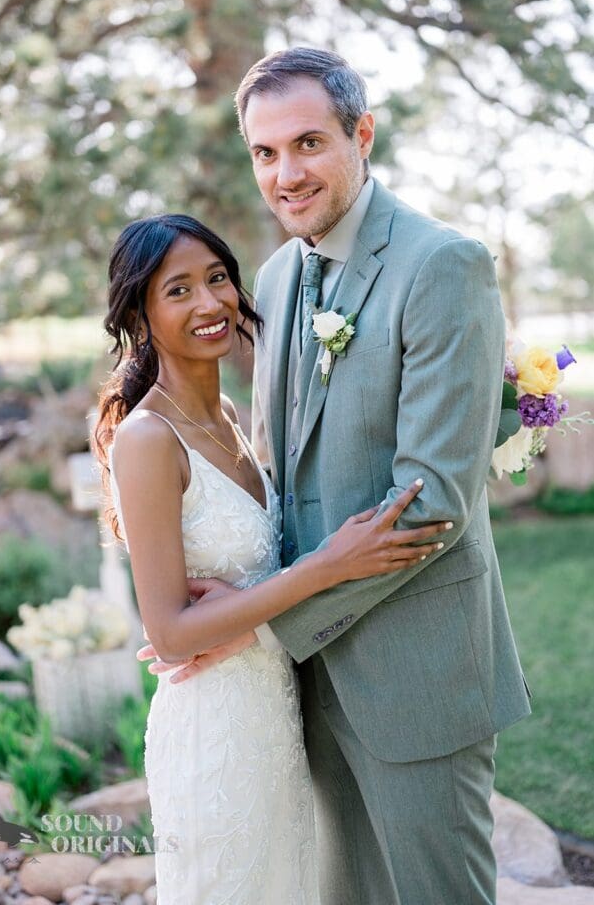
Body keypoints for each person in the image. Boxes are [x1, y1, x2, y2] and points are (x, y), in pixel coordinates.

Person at [142, 49, 532, 905]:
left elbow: (429, 505)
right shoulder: (277, 277)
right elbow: (281, 473)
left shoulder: (442, 265)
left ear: (362, 135)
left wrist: (262, 623)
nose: (285, 175)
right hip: (303, 693)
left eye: (308, 143)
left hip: (417, 677)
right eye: (265, 153)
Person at [93, 213, 449, 905]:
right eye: (178, 290)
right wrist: (327, 566)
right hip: (214, 729)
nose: (210, 303)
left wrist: (259, 612)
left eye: (217, 278)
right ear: (139, 316)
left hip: (276, 715)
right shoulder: (147, 439)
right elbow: (170, 633)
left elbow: (252, 582)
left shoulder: (228, 414)